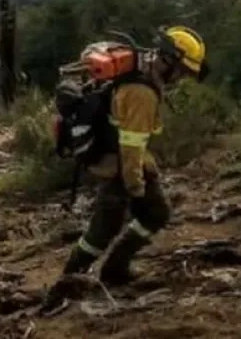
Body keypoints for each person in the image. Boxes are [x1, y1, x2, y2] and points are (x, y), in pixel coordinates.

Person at [42, 26, 207, 311]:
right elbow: (131, 145)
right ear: (167, 61)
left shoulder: (141, 70)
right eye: (181, 70)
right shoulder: (141, 92)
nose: (182, 77)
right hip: (117, 165)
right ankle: (69, 280)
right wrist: (135, 184)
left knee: (149, 214)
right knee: (107, 226)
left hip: (119, 159)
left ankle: (112, 268)